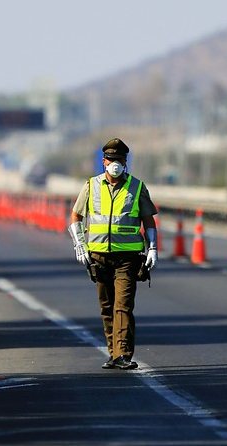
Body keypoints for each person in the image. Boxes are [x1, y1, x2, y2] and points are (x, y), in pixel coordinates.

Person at [68, 138, 158, 370]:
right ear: (104, 161)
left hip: (128, 258)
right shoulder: (91, 186)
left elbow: (148, 220)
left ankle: (123, 355)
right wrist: (79, 244)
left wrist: (153, 248)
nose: (115, 164)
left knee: (123, 305)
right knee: (107, 307)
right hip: (98, 257)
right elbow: (76, 216)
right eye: (111, 160)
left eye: (120, 160)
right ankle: (113, 352)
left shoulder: (137, 187)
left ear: (125, 162)